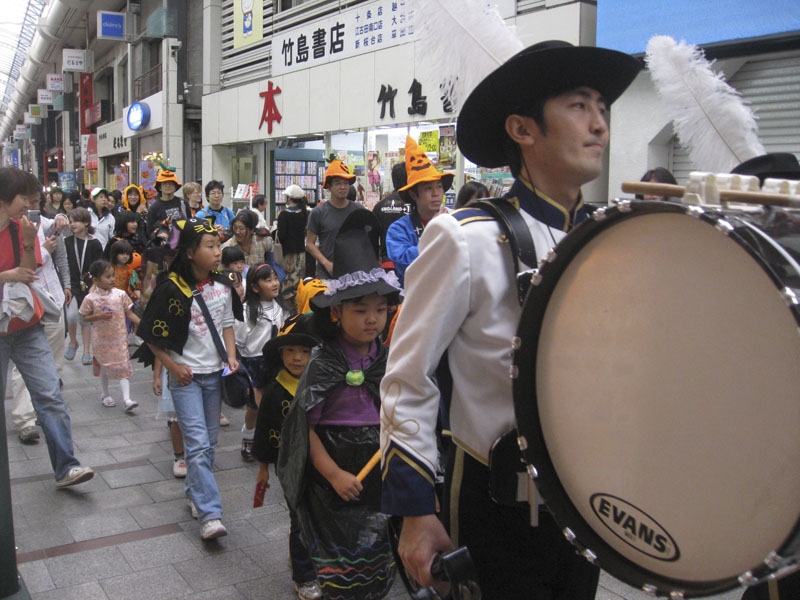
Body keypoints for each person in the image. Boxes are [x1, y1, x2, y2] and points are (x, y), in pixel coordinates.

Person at [379, 40, 641, 599]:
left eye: (602, 107)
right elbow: (407, 375)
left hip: (585, 508)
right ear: (522, 130)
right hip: (491, 506)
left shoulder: (611, 240)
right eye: (578, 106)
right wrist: (413, 509)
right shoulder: (462, 237)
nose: (599, 124)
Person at [277, 209, 400, 600]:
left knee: (375, 544)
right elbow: (306, 428)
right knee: (337, 551)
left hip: (377, 462)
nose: (372, 320)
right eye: (360, 310)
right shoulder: (324, 363)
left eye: (380, 310)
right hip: (333, 462)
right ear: (337, 311)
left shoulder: (387, 359)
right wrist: (332, 474)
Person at [134, 217, 243, 540]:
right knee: (196, 445)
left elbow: (226, 325)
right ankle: (210, 514)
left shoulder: (223, 285)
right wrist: (171, 366)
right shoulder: (170, 287)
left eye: (217, 246)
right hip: (185, 379)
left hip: (214, 377)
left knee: (208, 444)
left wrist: (232, 356)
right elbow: (149, 335)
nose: (217, 252)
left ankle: (195, 493)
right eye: (210, 247)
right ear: (191, 252)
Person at [0, 166, 94, 488]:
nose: (29, 203)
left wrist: (28, 244)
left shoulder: (20, 228)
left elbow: (29, 272)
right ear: (4, 198)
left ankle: (66, 466)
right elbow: (16, 275)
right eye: (23, 197)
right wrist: (7, 276)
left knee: (50, 395)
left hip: (26, 326)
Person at [254, 313, 321, 600]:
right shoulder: (274, 392)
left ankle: (315, 564)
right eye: (290, 351)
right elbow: (264, 430)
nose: (297, 358)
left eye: (304, 352)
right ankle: (304, 577)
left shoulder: (319, 384)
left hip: (322, 464)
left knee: (319, 515)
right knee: (300, 518)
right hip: (290, 466)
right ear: (281, 354)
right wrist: (263, 469)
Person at [9, 211, 72, 444]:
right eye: (26, 199)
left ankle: (47, 413)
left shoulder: (49, 225)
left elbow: (63, 257)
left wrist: (66, 284)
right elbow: (24, 270)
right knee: (24, 364)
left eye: (34, 200)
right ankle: (24, 420)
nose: (29, 205)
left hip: (52, 299)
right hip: (25, 304)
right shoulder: (10, 231)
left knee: (54, 361)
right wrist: (44, 249)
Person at [235, 263, 286, 462]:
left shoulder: (281, 308)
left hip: (276, 362)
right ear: (255, 287)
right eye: (268, 280)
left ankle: (269, 440)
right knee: (254, 407)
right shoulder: (247, 311)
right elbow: (239, 342)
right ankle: (248, 437)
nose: (275, 284)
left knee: (273, 404)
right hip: (254, 363)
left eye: (275, 278)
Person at [386, 136, 454, 285]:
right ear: (413, 194)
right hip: (415, 300)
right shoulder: (398, 229)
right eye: (428, 188)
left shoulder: (455, 220)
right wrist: (434, 231)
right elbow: (404, 266)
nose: (436, 193)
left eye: (439, 186)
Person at [79, 258, 141, 412]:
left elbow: (129, 313)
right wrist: (98, 316)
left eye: (113, 275)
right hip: (101, 340)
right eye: (108, 276)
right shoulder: (90, 298)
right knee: (105, 366)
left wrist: (142, 323)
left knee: (123, 365)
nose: (112, 279)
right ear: (95, 279)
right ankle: (105, 394)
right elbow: (84, 317)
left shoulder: (120, 295)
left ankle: (127, 399)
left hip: (120, 338)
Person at [305, 160, 360, 278]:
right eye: (338, 183)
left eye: (346, 183)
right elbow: (309, 244)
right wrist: (326, 263)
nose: (343, 187)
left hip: (353, 273)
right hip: (327, 274)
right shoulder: (318, 212)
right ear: (329, 187)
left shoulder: (359, 211)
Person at [64, 207, 104, 365]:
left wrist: (95, 285)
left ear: (86, 223)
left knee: (85, 318)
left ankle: (87, 350)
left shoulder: (94, 243)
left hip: (88, 284)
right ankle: (73, 342)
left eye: (76, 221)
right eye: (71, 221)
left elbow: (99, 266)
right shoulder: (67, 241)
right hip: (72, 284)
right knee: (71, 315)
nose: (72, 224)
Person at [277, 185, 309, 309]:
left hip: (288, 254)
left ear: (289, 198)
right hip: (301, 253)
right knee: (298, 282)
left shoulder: (284, 215)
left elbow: (282, 235)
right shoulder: (305, 214)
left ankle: (288, 311)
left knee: (287, 282)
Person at [372, 162, 409, 264]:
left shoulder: (379, 206)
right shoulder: (414, 205)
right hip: (408, 261)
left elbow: (373, 239)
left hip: (386, 262)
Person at [145, 169, 189, 233]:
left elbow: (190, 224)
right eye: (165, 183)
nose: (168, 186)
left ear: (175, 187)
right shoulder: (153, 208)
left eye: (171, 183)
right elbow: (149, 231)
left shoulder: (183, 203)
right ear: (160, 188)